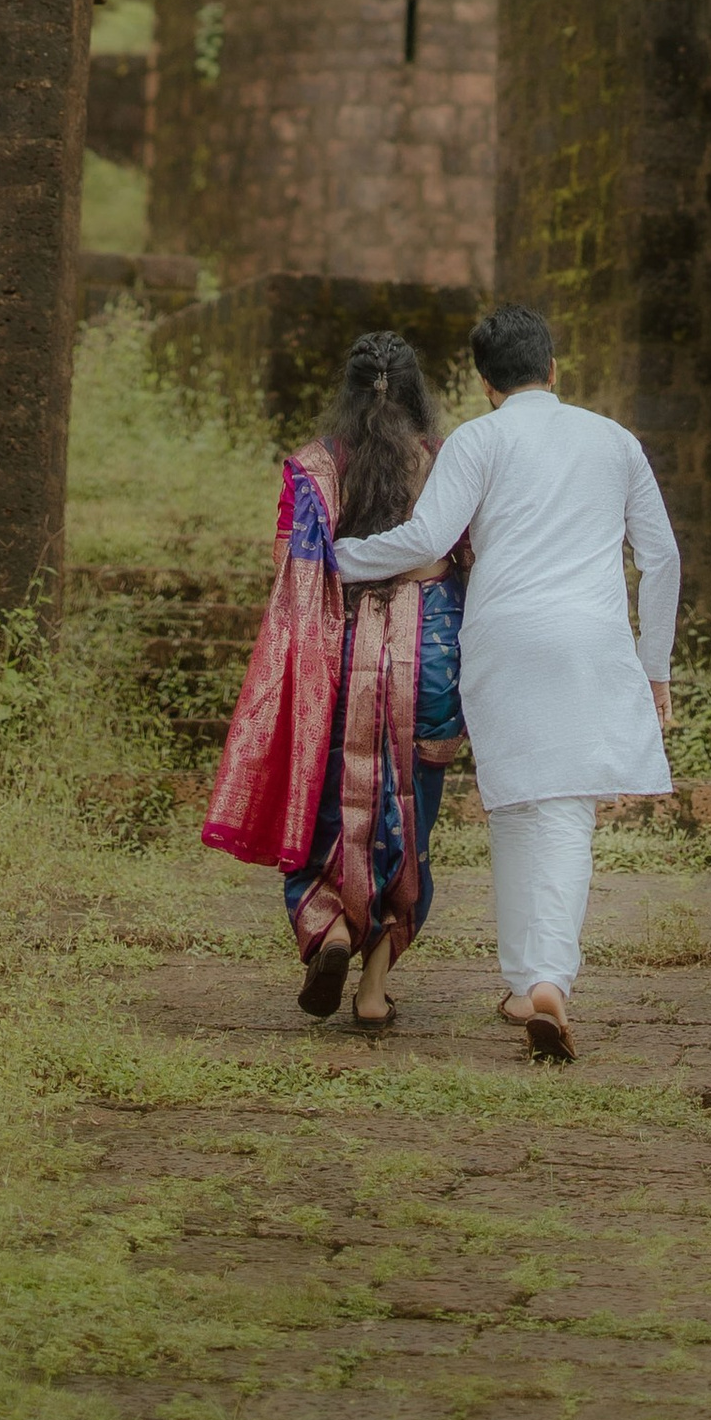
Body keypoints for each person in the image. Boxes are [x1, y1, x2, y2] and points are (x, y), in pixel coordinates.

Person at [332, 302, 678, 1065]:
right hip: (590, 641)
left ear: (486, 383)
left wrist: (333, 559)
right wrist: (656, 668)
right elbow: (661, 558)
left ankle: (528, 982)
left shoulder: (480, 439)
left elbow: (425, 539)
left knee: (520, 805)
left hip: (502, 640)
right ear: (554, 368)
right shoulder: (614, 441)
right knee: (565, 814)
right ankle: (547, 978)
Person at [201, 331, 466, 1033]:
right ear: (416, 393)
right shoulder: (446, 464)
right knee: (410, 822)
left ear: (347, 392)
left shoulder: (313, 470)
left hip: (337, 658)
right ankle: (374, 990)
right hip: (429, 662)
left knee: (327, 811)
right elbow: (464, 556)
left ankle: (331, 931)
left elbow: (296, 577)